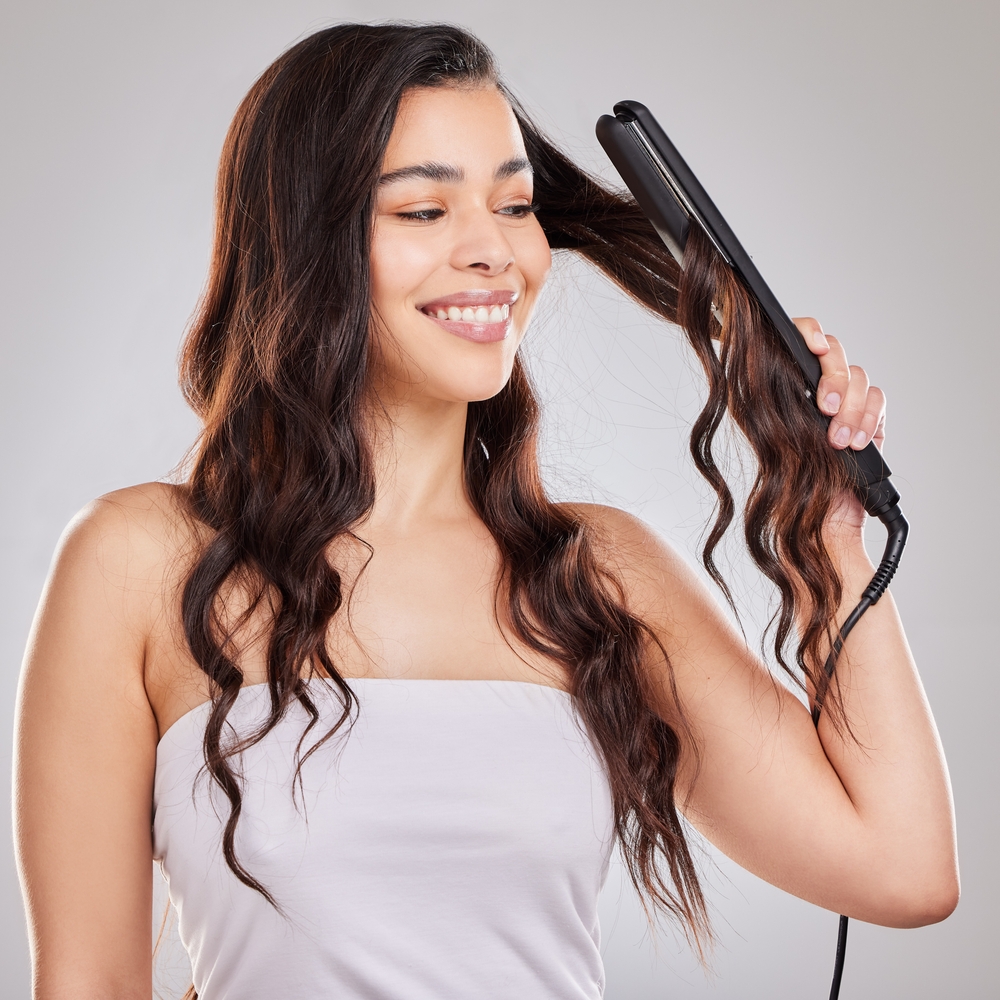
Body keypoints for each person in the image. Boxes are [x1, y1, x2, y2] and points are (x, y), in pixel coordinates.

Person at [13, 22, 958, 1000]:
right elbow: (87, 984)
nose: (494, 252)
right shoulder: (136, 564)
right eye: (424, 209)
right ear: (303, 241)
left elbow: (899, 869)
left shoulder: (599, 575)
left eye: (514, 203)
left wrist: (832, 528)